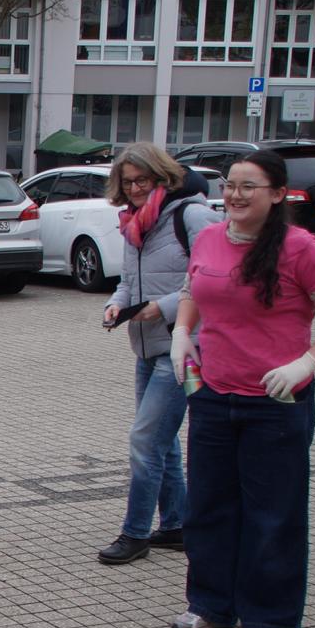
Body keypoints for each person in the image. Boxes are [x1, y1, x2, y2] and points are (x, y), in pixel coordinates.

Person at [170, 150, 315, 628]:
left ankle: (274, 618)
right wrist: (182, 332)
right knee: (208, 506)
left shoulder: (300, 247)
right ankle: (212, 604)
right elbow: (194, 285)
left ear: (278, 194)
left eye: (249, 187)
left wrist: (307, 363)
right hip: (213, 394)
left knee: (272, 513)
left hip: (276, 402)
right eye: (230, 185)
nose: (235, 195)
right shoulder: (210, 237)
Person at [97, 143, 222, 565]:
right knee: (162, 442)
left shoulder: (192, 216)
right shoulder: (135, 222)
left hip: (186, 348)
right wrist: (116, 304)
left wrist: (164, 307)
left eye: (143, 181)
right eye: (128, 182)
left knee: (146, 440)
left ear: (162, 177)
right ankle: (175, 525)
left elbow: (214, 279)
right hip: (147, 346)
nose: (134, 189)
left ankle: (135, 534)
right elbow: (128, 282)